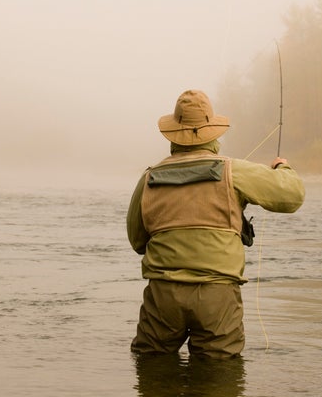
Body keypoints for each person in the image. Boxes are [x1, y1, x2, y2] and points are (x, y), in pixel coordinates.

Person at [126, 89, 305, 359]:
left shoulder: (149, 178)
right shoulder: (234, 170)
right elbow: (293, 196)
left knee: (152, 369)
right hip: (217, 297)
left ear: (174, 133)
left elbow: (137, 241)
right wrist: (282, 168)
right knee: (219, 376)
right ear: (213, 131)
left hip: (162, 296)